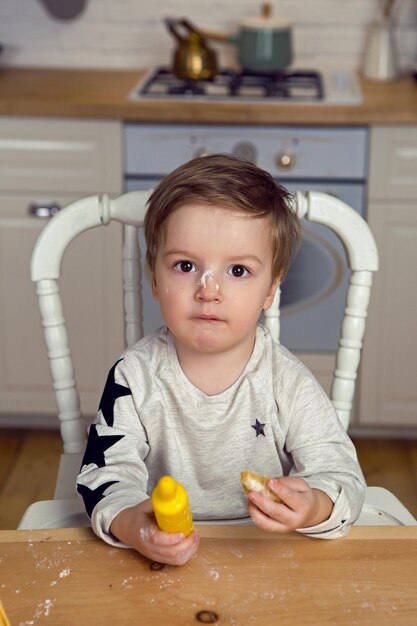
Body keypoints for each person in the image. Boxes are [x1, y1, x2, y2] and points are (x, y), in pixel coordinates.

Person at [77, 154, 366, 566]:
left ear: (271, 289)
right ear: (155, 278)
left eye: (238, 271)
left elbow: (342, 476)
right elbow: (104, 474)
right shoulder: (134, 377)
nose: (208, 290)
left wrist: (313, 505)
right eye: (186, 265)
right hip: (155, 558)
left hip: (264, 554)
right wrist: (133, 526)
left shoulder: (286, 382)